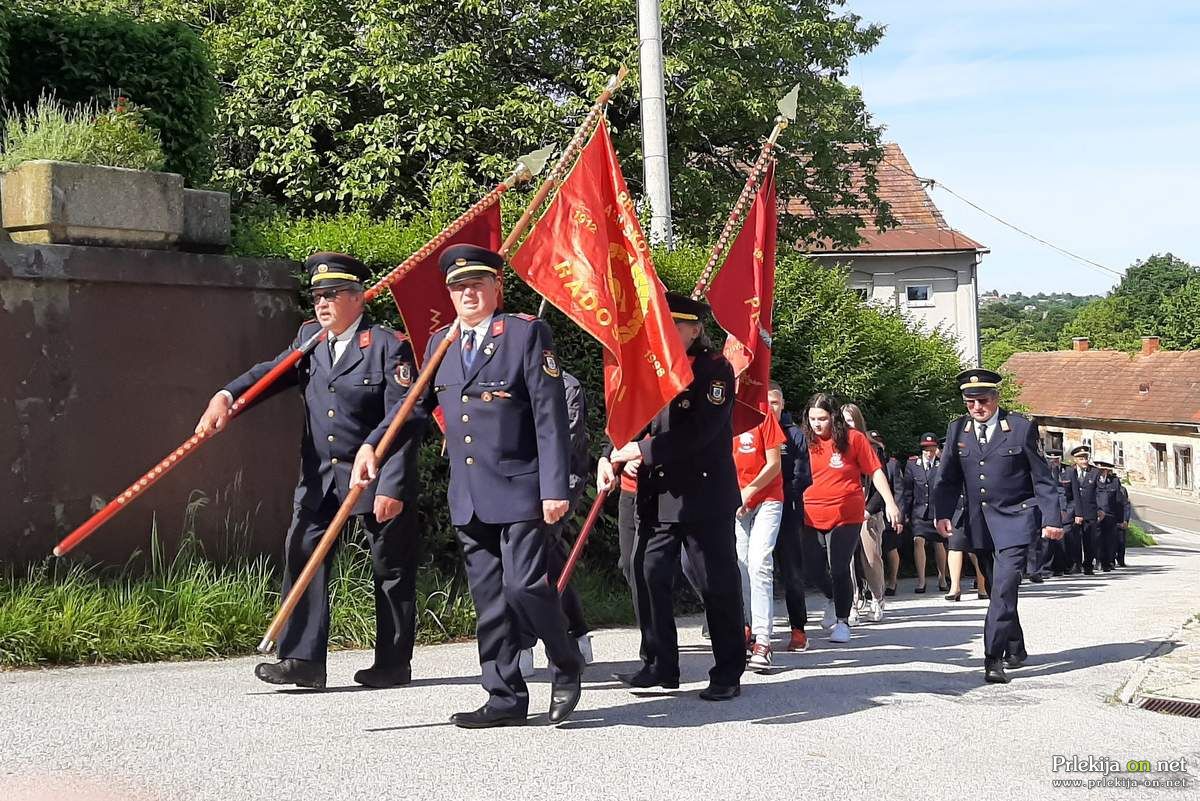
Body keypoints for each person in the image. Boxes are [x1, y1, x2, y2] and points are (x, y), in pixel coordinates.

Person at [352, 244, 583, 728]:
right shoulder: (441, 342)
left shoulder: (523, 333)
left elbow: (549, 415)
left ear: (496, 288)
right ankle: (503, 697)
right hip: (470, 495)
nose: (467, 293)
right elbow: (411, 408)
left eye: (476, 284)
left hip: (522, 489)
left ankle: (565, 662)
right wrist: (374, 445)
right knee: (491, 600)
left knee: (524, 588)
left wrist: (555, 487)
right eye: (458, 287)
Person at [195, 252, 421, 691]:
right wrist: (226, 396)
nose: (322, 303)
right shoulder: (310, 340)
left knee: (390, 568)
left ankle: (393, 662)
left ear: (357, 299)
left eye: (332, 295)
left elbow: (405, 419)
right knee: (303, 554)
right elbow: (270, 374)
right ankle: (302, 660)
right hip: (321, 477)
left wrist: (391, 485)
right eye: (317, 295)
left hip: (375, 475)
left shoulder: (387, 345)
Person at [599, 292, 745, 701]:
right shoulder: (650, 368)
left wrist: (642, 451)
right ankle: (660, 663)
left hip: (703, 494)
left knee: (716, 583)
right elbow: (624, 420)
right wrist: (611, 453)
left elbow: (701, 431)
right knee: (646, 572)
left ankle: (728, 670)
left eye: (674, 326)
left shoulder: (714, 370)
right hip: (657, 494)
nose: (664, 332)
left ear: (696, 330)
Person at [933, 369, 1062, 684]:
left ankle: (993, 658)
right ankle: (1015, 647)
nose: (977, 407)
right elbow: (947, 477)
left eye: (983, 400)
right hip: (979, 523)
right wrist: (943, 512)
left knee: (1004, 588)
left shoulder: (1018, 428)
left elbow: (1041, 478)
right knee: (997, 590)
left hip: (1015, 520)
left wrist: (1052, 518)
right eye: (970, 402)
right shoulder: (958, 430)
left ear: (996, 398)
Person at [800, 394, 902, 644]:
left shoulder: (854, 439)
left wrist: (890, 503)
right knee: (812, 567)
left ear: (833, 418)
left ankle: (843, 622)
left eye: (822, 419)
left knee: (839, 566)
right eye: (812, 419)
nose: (817, 424)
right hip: (810, 513)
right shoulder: (804, 440)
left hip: (847, 513)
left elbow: (875, 472)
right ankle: (833, 598)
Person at [518, 370, 593, 676]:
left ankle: (531, 641)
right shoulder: (511, 381)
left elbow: (567, 440)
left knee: (536, 558)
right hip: (518, 484)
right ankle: (574, 630)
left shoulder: (567, 386)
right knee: (544, 558)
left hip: (561, 482)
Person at [731, 394, 787, 670]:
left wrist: (748, 492)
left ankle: (764, 638)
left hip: (767, 498)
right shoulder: (720, 414)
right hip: (737, 501)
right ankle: (747, 628)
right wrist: (732, 496)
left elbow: (774, 463)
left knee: (759, 563)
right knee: (740, 566)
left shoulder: (762, 413)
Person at [768, 383, 814, 652]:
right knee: (752, 570)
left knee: (792, 572)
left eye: (775, 402)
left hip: (787, 510)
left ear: (782, 404)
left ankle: (798, 628)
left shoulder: (794, 435)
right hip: (754, 509)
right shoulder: (748, 428)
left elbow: (803, 475)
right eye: (766, 402)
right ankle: (750, 625)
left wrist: (781, 496)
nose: (771, 407)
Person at [840, 404, 888, 622]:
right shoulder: (836, 448)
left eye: (850, 420)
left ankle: (877, 597)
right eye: (843, 420)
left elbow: (881, 483)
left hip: (868, 510)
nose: (846, 425)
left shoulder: (873, 448)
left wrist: (869, 510)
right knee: (844, 560)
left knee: (870, 557)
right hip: (843, 510)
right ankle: (850, 603)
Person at [901, 433, 951, 595]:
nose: (928, 453)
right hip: (919, 511)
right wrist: (904, 513)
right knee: (918, 541)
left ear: (936, 449)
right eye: (925, 450)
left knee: (939, 544)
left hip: (937, 511)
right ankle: (921, 580)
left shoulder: (942, 464)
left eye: (931, 449)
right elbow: (908, 491)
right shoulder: (912, 465)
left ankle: (942, 577)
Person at [1067, 445, 1101, 575]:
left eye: (1086, 458)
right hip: (1074, 511)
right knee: (1074, 540)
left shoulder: (1095, 472)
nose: (1084, 461)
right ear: (1075, 460)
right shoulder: (1070, 472)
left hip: (1090, 511)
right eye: (1081, 459)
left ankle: (1088, 565)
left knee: (1090, 540)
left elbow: (1099, 492)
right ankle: (1076, 564)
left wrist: (1100, 509)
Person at [1094, 460, 1130, 571]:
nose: (1102, 472)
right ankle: (1099, 560)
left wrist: (1122, 519)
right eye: (1100, 470)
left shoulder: (1114, 481)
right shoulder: (1093, 480)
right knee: (1097, 539)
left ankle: (1108, 562)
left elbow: (1119, 501)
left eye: (1104, 470)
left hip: (1110, 515)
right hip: (1097, 514)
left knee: (1109, 541)